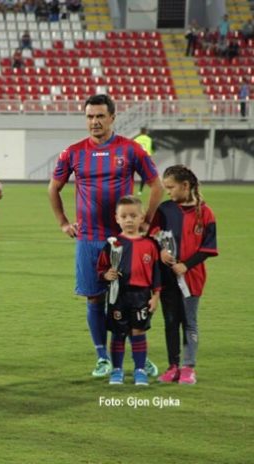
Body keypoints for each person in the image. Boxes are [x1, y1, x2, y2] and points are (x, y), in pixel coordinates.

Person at [48, 94, 163, 379]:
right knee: (94, 299)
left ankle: (139, 357)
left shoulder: (131, 149)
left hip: (124, 241)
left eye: (100, 116)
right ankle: (102, 358)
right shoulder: (73, 152)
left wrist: (147, 221)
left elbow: (156, 185)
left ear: (112, 117)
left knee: (131, 299)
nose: (95, 122)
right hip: (89, 238)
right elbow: (53, 188)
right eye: (90, 116)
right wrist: (63, 222)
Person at [151, 165, 218, 385]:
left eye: (171, 187)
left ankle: (188, 367)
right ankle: (173, 366)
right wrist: (160, 251)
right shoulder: (164, 210)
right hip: (167, 277)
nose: (168, 191)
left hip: (192, 277)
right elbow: (153, 235)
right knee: (171, 322)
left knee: (189, 321)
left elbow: (208, 248)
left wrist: (186, 265)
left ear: (185, 185)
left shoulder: (205, 213)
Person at [97, 196, 161, 386]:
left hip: (141, 295)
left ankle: (140, 370)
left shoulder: (150, 245)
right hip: (118, 295)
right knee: (118, 333)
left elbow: (157, 274)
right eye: (124, 216)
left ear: (142, 217)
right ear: (117, 218)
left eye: (133, 216)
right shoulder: (113, 244)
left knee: (138, 331)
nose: (129, 220)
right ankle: (117, 370)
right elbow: (101, 268)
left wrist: (156, 296)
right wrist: (106, 275)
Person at [134, 127, 153, 194]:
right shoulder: (149, 139)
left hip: (137, 157)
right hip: (146, 157)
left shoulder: (136, 139)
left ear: (140, 132)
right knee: (145, 174)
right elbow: (149, 149)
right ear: (146, 132)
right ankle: (140, 191)